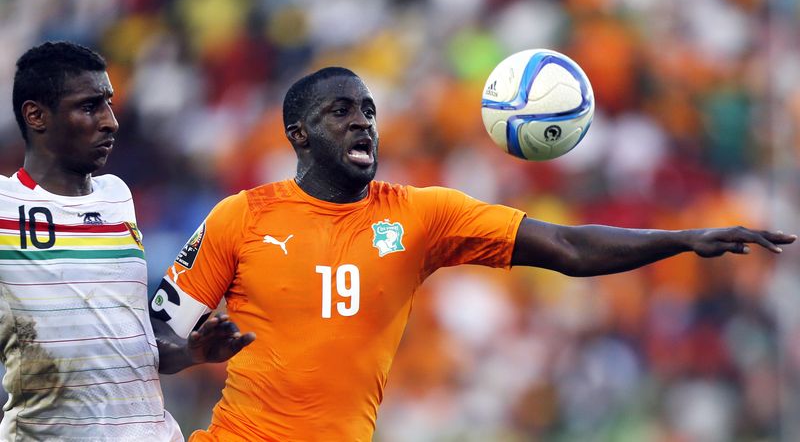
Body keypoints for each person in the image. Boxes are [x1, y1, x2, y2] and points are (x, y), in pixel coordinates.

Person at [148, 67, 796, 441]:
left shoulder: (422, 214)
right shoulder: (242, 216)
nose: (363, 123)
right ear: (297, 133)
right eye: (340, 111)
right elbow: (154, 345)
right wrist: (197, 352)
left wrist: (680, 239)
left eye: (369, 111)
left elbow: (566, 246)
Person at [0, 41, 253, 442]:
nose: (111, 122)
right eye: (89, 106)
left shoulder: (117, 196)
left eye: (109, 104)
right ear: (36, 115)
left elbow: (132, 346)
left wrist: (191, 352)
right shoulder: (5, 204)